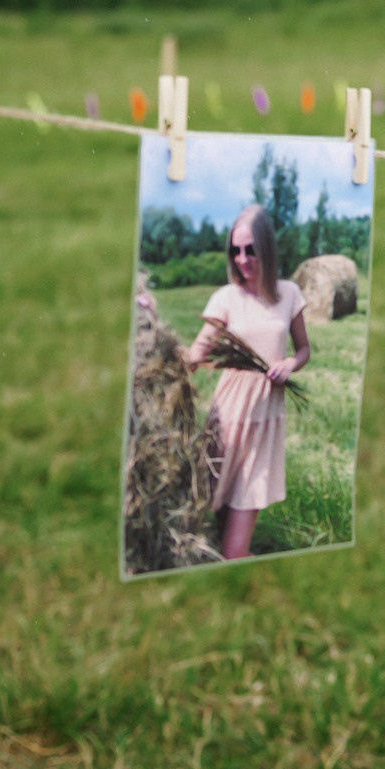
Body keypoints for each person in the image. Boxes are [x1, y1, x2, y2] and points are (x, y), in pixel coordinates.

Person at [153, 207, 309, 561]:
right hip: (227, 422)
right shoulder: (226, 297)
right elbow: (196, 354)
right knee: (202, 514)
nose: (242, 259)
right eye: (235, 251)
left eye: (251, 250)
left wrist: (289, 363)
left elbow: (304, 350)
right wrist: (154, 340)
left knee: (234, 552)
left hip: (265, 424)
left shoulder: (289, 294)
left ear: (267, 249)